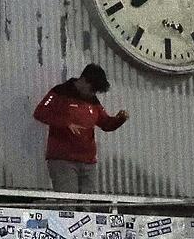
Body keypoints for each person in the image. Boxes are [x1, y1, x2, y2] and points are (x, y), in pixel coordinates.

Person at [34, 63, 129, 193]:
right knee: (68, 204)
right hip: (63, 160)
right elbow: (40, 112)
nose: (93, 93)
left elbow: (105, 124)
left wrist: (119, 119)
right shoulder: (60, 92)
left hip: (88, 161)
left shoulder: (93, 100)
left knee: (86, 205)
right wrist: (65, 123)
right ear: (83, 80)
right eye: (92, 89)